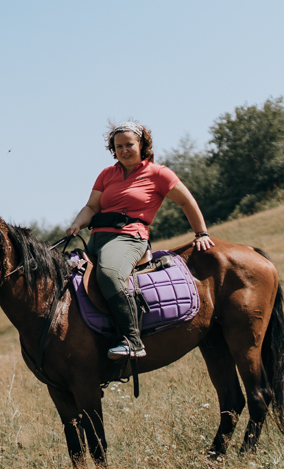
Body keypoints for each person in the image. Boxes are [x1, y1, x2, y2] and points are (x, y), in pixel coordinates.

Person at [64, 120, 216, 359]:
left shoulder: (158, 174)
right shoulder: (106, 174)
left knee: (110, 274)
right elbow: (92, 207)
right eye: (119, 146)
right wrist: (76, 223)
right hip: (97, 237)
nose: (124, 150)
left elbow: (187, 201)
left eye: (129, 145)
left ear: (142, 145)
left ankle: (132, 340)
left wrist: (201, 233)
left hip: (129, 237)